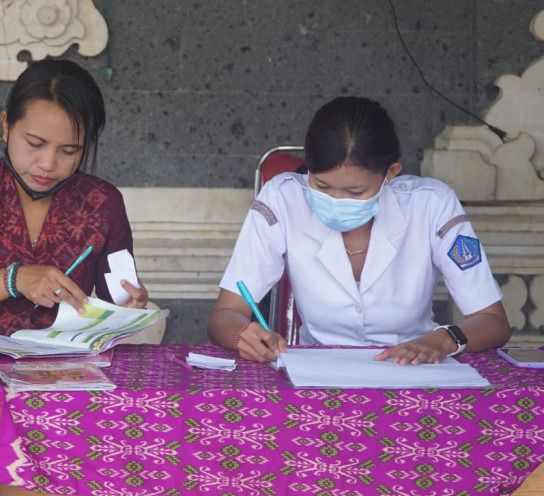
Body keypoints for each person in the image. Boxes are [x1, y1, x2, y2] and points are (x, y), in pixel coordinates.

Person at [208, 96, 510, 365]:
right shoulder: (282, 200)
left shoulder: (432, 204)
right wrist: (242, 334)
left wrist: (444, 340)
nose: (337, 200)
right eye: (321, 186)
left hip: (413, 370)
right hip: (316, 374)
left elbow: (493, 322)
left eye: (355, 192)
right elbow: (225, 314)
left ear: (390, 173)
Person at [0, 59, 148, 335]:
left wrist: (129, 308)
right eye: (35, 144)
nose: (47, 163)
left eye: (69, 151)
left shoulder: (103, 203)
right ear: (6, 125)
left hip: (63, 360)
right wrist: (14, 279)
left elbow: (111, 308)